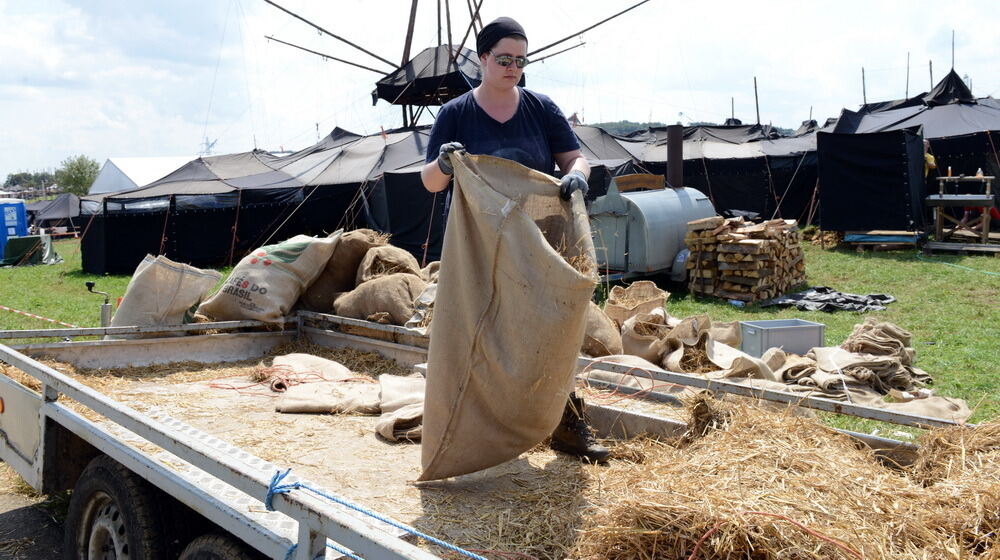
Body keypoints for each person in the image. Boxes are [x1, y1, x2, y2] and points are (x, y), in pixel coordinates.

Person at [421, 16, 608, 463]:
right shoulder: (455, 113)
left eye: (520, 61)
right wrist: (445, 165)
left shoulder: (540, 108)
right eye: (503, 59)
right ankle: (473, 436)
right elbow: (429, 183)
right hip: (477, 248)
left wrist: (577, 177)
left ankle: (564, 423)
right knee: (480, 334)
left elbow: (575, 156)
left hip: (538, 243)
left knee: (547, 334)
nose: (512, 68)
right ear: (483, 58)